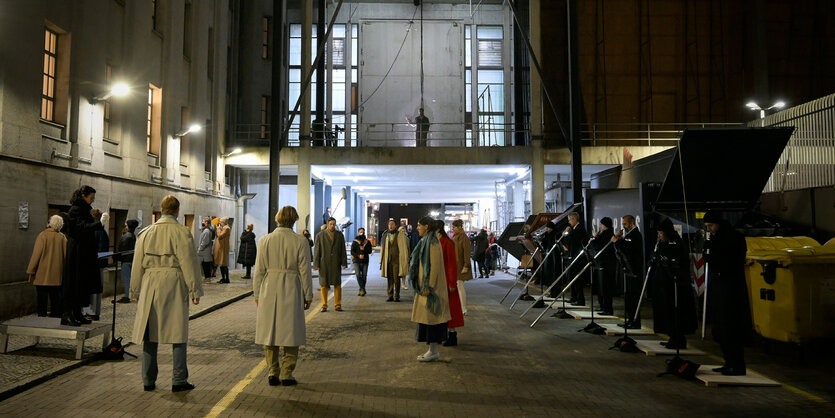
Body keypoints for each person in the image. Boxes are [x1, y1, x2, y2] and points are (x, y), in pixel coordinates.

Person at [131, 195, 203, 392]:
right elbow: (189, 262)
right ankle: (178, 379)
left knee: (149, 333)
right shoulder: (182, 232)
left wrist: (135, 291)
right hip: (174, 283)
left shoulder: (145, 233)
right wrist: (194, 289)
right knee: (178, 332)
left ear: (161, 209)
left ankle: (148, 380)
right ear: (177, 211)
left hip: (150, 283)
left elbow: (137, 265)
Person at [253, 206, 313, 386]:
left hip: (269, 287)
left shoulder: (265, 240)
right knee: (291, 331)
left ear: (277, 219)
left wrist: (257, 294)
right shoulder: (300, 241)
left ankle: (272, 371)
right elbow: (305, 271)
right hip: (292, 287)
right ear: (294, 220)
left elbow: (259, 270)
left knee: (269, 332)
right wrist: (308, 295)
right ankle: (287, 373)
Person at [703, 210, 750, 376]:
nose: (709, 229)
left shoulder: (734, 238)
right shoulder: (716, 238)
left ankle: (737, 364)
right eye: (707, 227)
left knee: (731, 326)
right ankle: (728, 361)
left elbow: (731, 260)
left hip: (731, 288)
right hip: (719, 286)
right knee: (721, 327)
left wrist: (712, 251)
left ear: (719, 223)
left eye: (710, 226)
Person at [649, 217, 697, 349]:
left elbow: (675, 263)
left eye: (660, 233)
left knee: (674, 311)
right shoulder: (663, 244)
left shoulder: (676, 243)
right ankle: (671, 336)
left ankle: (678, 339)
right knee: (666, 311)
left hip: (674, 285)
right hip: (663, 284)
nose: (659, 236)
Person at [62, 185, 106, 327]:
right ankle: (68, 313)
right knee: (74, 281)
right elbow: (80, 228)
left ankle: (77, 312)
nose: (92, 200)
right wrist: (99, 224)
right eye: (91, 198)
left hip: (84, 251)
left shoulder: (84, 209)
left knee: (81, 283)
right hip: (77, 251)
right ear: (84, 196)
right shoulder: (76, 209)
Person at [409, 217, 451, 362]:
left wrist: (429, 286)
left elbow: (435, 267)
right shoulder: (427, 240)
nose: (417, 228)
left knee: (432, 321)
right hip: (425, 287)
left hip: (432, 290)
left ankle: (433, 351)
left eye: (419, 225)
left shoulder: (432, 243)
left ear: (426, 226)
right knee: (428, 321)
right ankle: (432, 350)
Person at [27, 215, 66, 317]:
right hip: (57, 275)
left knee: (42, 299)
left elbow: (36, 255)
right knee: (55, 299)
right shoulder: (62, 237)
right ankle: (55, 318)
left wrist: (31, 270)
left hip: (42, 274)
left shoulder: (42, 236)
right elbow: (66, 257)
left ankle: (42, 318)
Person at [434, 220, 464, 347]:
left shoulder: (446, 242)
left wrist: (452, 283)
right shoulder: (437, 242)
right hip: (439, 281)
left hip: (446, 281)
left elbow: (452, 264)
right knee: (441, 309)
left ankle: (452, 335)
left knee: (449, 309)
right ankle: (443, 334)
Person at [612, 215, 644, 329]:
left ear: (631, 223)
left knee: (633, 297)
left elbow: (627, 250)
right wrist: (619, 239)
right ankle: (630, 319)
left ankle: (634, 320)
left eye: (625, 224)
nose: (623, 227)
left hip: (634, 270)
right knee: (629, 297)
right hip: (629, 269)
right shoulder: (628, 235)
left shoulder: (635, 235)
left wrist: (617, 241)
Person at [313, 217, 347, 312]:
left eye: (334, 224)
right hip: (324, 263)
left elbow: (343, 250)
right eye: (331, 224)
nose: (332, 226)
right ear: (327, 224)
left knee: (337, 284)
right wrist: (316, 263)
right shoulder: (320, 235)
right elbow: (317, 251)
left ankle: (338, 305)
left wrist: (344, 262)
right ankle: (324, 305)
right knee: (324, 284)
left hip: (336, 263)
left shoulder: (340, 235)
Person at [85, 208, 110, 321]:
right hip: (99, 263)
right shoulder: (102, 231)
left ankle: (92, 312)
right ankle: (94, 311)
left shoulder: (97, 231)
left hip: (95, 264)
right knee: (96, 289)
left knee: (93, 289)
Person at [589, 217, 616, 315]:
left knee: (606, 287)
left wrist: (592, 240)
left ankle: (607, 308)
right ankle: (602, 306)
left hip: (606, 263)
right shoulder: (604, 234)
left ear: (605, 225)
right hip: (601, 263)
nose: (600, 226)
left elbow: (598, 248)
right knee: (601, 287)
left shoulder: (607, 235)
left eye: (601, 224)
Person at [380, 219, 409, 302]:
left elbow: (404, 248)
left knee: (396, 279)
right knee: (389, 278)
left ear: (396, 225)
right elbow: (383, 248)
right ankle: (390, 295)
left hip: (397, 260)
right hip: (388, 260)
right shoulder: (385, 235)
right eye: (389, 224)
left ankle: (397, 295)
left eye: (392, 224)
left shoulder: (400, 235)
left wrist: (404, 259)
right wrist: (381, 260)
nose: (391, 226)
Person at [563, 212, 587, 306]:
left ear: (574, 219)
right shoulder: (574, 229)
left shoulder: (580, 229)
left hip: (578, 257)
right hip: (572, 255)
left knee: (578, 279)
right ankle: (574, 297)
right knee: (572, 277)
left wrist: (568, 234)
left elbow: (575, 241)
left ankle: (580, 299)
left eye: (570, 220)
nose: (569, 222)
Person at [451, 219, 473, 315]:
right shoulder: (456, 237)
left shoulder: (464, 238)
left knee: (460, 285)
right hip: (456, 265)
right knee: (458, 286)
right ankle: (461, 307)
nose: (453, 229)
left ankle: (463, 308)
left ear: (459, 227)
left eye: (454, 227)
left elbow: (467, 253)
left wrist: (466, 265)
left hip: (461, 265)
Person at [115, 220, 139, 303]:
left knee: (126, 279)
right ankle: (129, 295)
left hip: (126, 260)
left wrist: (117, 257)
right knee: (129, 279)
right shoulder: (133, 235)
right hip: (131, 259)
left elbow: (121, 249)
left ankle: (127, 296)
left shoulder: (126, 236)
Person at [351, 228, 373, 296]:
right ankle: (362, 288)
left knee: (364, 275)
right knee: (358, 274)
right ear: (358, 233)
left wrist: (364, 250)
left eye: (362, 232)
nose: (361, 233)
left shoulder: (367, 242)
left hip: (365, 261)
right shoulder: (355, 242)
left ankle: (362, 289)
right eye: (360, 232)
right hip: (356, 261)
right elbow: (352, 251)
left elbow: (370, 251)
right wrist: (358, 255)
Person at [214, 217, 231, 283]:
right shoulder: (224, 228)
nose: (220, 223)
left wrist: (218, 229)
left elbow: (220, 235)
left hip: (223, 248)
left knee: (224, 264)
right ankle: (223, 278)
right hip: (221, 248)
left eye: (221, 222)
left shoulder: (226, 228)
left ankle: (226, 279)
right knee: (222, 264)